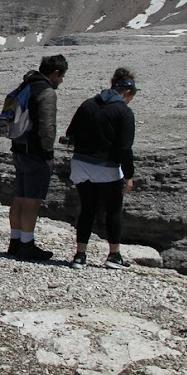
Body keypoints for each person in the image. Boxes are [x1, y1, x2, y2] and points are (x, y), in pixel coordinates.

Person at [66, 68, 138, 270]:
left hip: (80, 165)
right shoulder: (124, 112)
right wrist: (129, 175)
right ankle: (114, 256)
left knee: (87, 209)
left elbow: (70, 132)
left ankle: (79, 256)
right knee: (113, 211)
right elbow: (125, 148)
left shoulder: (88, 104)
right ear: (127, 92)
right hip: (107, 168)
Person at [7, 54, 68, 260]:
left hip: (18, 149)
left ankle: (15, 242)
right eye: (62, 76)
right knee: (32, 201)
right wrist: (48, 154)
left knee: (20, 197)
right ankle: (27, 245)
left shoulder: (26, 85)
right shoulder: (46, 92)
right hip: (35, 152)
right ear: (56, 73)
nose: (62, 81)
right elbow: (47, 127)